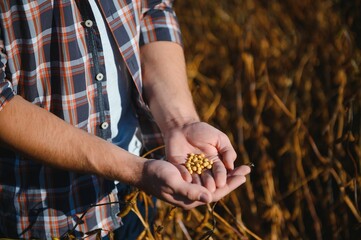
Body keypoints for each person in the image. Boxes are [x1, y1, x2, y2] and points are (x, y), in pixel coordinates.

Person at [0, 0, 251, 239]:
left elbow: (153, 12)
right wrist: (135, 170)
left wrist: (180, 122)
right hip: (48, 211)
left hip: (137, 184)